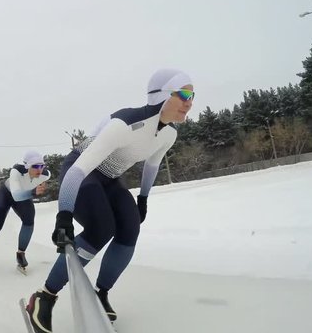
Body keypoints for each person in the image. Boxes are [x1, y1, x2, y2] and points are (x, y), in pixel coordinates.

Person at [25, 68, 195, 332]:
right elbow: (77, 172)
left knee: (130, 227)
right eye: (183, 93)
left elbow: (152, 166)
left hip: (110, 177)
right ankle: (44, 296)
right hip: (82, 171)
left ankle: (101, 293)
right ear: (161, 95)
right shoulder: (125, 124)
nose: (190, 101)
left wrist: (143, 199)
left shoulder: (169, 134)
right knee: (101, 228)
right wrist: (64, 216)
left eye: (192, 94)